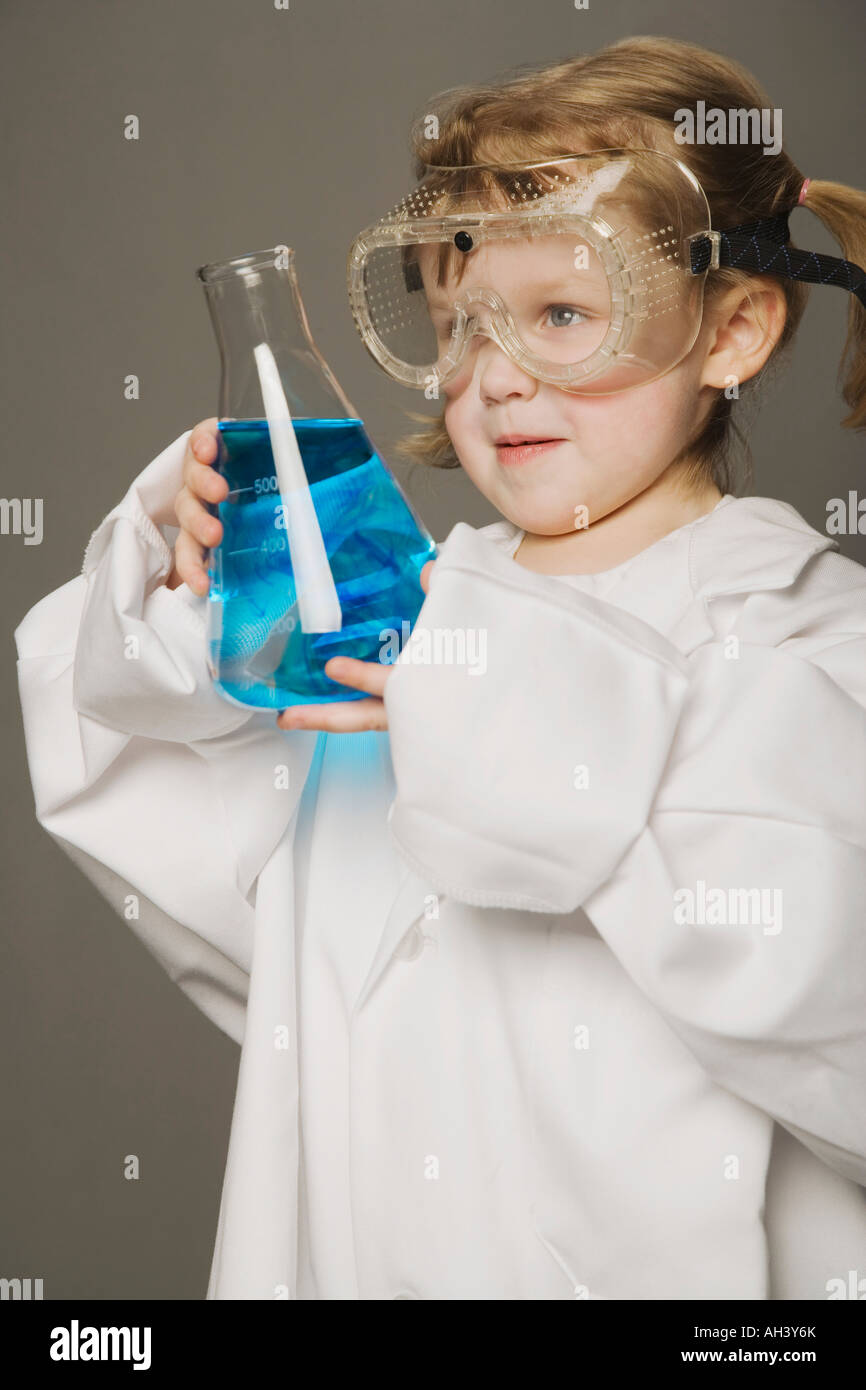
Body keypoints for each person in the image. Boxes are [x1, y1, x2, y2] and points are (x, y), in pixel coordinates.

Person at [14, 35, 866, 1299]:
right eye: (460, 320)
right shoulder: (393, 631)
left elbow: (831, 1002)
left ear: (730, 328)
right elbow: (139, 784)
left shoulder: (810, 641)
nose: (497, 376)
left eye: (562, 315)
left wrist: (532, 718)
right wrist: (180, 586)